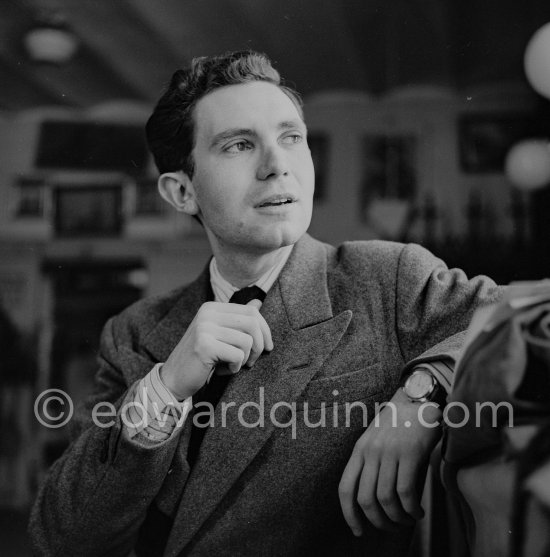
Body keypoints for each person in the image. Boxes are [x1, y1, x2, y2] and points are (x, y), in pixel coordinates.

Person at [29, 50, 501, 556]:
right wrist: (164, 389)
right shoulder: (134, 333)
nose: (278, 166)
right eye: (238, 145)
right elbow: (63, 538)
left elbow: (533, 317)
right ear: (182, 192)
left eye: (291, 138)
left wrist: (421, 397)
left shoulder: (387, 277)